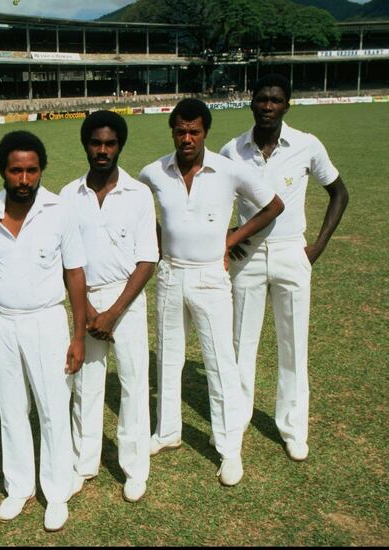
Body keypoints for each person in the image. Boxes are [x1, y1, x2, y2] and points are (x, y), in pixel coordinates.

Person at [138, 98, 284, 486]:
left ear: (205, 133)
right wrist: (154, 239)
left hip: (210, 277)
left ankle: (229, 449)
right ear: (172, 131)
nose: (187, 138)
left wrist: (232, 238)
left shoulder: (228, 170)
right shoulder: (155, 170)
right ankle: (167, 431)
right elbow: (132, 203)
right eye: (180, 131)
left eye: (194, 131)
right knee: (168, 357)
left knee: (220, 363)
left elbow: (273, 205)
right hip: (170, 273)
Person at [219, 74, 349, 462]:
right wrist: (230, 234)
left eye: (276, 100)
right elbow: (216, 201)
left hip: (294, 253)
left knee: (293, 346)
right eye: (262, 99)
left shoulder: (307, 145)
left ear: (287, 105)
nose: (268, 106)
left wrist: (317, 247)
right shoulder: (232, 150)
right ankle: (237, 422)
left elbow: (339, 193)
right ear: (251, 103)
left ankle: (293, 429)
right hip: (249, 258)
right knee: (241, 344)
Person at [0, 130, 88, 532]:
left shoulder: (59, 209)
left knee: (54, 408)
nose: (24, 179)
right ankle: (19, 487)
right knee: (12, 409)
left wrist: (78, 334)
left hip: (47, 320)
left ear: (42, 170)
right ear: (3, 170)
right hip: (1, 321)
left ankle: (56, 491)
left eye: (31, 170)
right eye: (16, 170)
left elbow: (75, 273)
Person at [60, 111, 158, 503]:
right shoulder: (68, 195)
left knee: (134, 384)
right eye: (95, 143)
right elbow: (67, 260)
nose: (102, 150)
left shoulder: (138, 193)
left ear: (120, 146)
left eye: (110, 143)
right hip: (85, 296)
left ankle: (134, 468)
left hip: (126, 300)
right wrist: (85, 310)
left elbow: (147, 259)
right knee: (86, 383)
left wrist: (113, 313)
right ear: (85, 144)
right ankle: (85, 463)